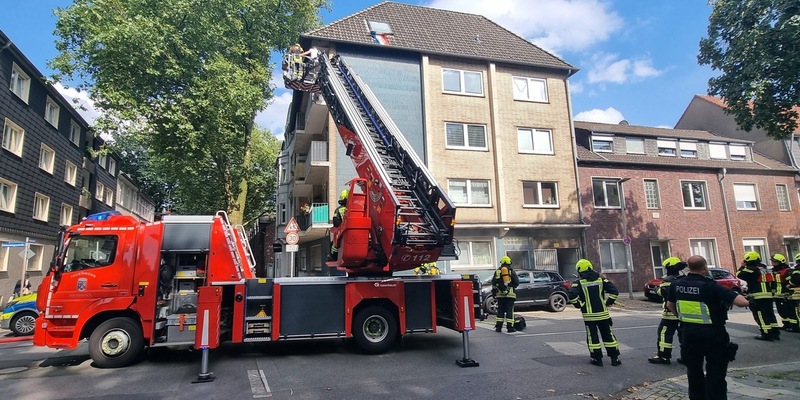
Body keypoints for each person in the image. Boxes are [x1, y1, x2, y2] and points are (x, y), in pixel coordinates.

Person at [667, 255, 749, 400]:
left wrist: (682, 318)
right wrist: (735, 294)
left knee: (693, 370)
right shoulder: (711, 286)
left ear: (688, 267)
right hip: (713, 335)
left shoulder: (676, 284)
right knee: (716, 372)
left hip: (688, 334)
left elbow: (670, 305)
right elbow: (742, 303)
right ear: (704, 267)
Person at [569, 259, 621, 366]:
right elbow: (614, 292)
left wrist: (579, 305)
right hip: (603, 314)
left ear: (579, 270)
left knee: (592, 337)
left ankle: (597, 359)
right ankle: (614, 359)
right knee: (608, 335)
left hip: (589, 316)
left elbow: (572, 296)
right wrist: (608, 302)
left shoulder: (578, 283)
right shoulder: (601, 280)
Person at [648, 257, 686, 364]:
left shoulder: (667, 281)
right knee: (683, 336)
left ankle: (663, 356)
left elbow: (664, 294)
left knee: (665, 335)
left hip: (669, 314)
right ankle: (686, 357)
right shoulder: (684, 279)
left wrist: (657, 289)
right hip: (684, 314)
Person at [737, 251, 780, 341]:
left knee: (760, 314)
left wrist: (742, 266)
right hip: (768, 295)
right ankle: (775, 333)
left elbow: (739, 274)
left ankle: (766, 333)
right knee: (770, 313)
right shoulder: (764, 268)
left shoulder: (750, 269)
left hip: (758, 296)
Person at [770, 253, 797, 331]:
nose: (773, 263)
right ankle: (786, 324)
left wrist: (788, 292)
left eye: (775, 262)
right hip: (777, 295)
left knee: (790, 311)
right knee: (781, 311)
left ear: (780, 262)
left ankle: (794, 326)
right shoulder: (774, 271)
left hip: (786, 294)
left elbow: (790, 282)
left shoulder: (787, 271)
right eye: (773, 261)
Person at [492, 256, 518, 333]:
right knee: (509, 311)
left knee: (500, 311)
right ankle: (510, 328)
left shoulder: (497, 272)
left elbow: (493, 283)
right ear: (509, 263)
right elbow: (516, 283)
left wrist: (494, 292)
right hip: (510, 296)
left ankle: (498, 327)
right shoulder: (511, 272)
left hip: (500, 296)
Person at [328, 189, 349, 261]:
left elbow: (336, 222)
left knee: (334, 244)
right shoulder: (354, 208)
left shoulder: (338, 210)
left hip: (342, 232)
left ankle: (334, 257)